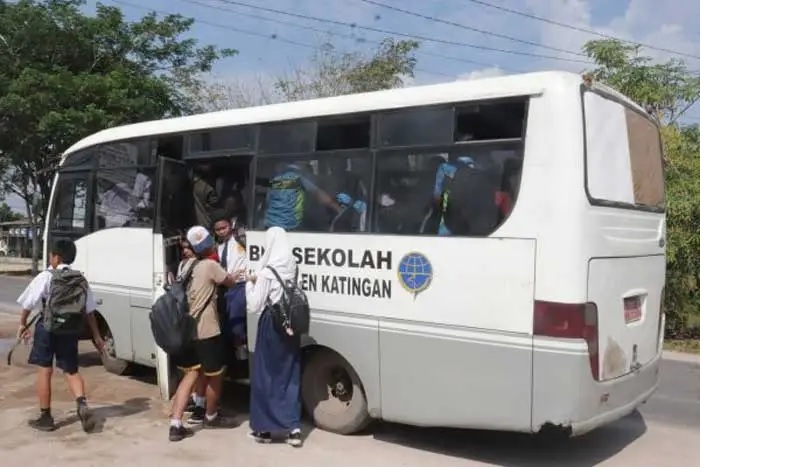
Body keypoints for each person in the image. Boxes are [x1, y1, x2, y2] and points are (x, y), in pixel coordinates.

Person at [16, 239, 105, 432]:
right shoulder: (80, 279)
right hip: (71, 330)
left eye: (51, 256)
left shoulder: (46, 276)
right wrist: (97, 337)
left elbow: (28, 304)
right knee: (71, 370)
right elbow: (89, 312)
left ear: (56, 257)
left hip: (47, 329)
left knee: (44, 370)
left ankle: (46, 417)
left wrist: (23, 323)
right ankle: (82, 404)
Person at [168, 225, 239, 441]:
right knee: (215, 376)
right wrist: (234, 275)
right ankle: (211, 415)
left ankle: (176, 424)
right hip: (207, 331)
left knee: (190, 376)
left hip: (187, 331)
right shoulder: (210, 265)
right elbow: (231, 281)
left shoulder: (186, 265)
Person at [245, 227, 303, 447]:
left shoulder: (267, 271)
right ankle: (294, 429)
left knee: (266, 375)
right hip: (291, 325)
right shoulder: (293, 265)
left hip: (272, 324)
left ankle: (265, 430)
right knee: (289, 374)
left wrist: (250, 282)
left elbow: (254, 305)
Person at [212, 210, 248, 358]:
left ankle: (242, 351)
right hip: (224, 286)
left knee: (236, 318)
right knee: (224, 319)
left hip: (240, 285)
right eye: (218, 229)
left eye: (224, 228)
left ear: (230, 226)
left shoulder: (241, 240)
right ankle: (232, 352)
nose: (221, 232)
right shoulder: (216, 247)